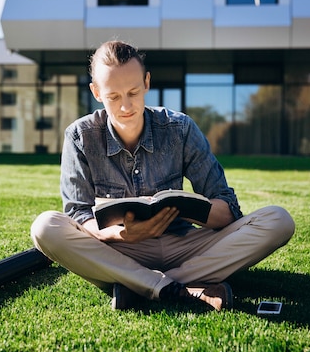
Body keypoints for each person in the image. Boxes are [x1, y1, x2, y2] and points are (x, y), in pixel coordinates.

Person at [31, 40, 295, 311]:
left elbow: (227, 210)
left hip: (186, 245)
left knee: (278, 220)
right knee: (45, 227)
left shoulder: (179, 128)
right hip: (122, 251)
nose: (125, 106)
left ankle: (141, 287)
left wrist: (183, 209)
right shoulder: (80, 136)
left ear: (146, 82)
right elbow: (78, 215)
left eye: (133, 91)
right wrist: (121, 235)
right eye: (114, 96)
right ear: (96, 92)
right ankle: (174, 287)